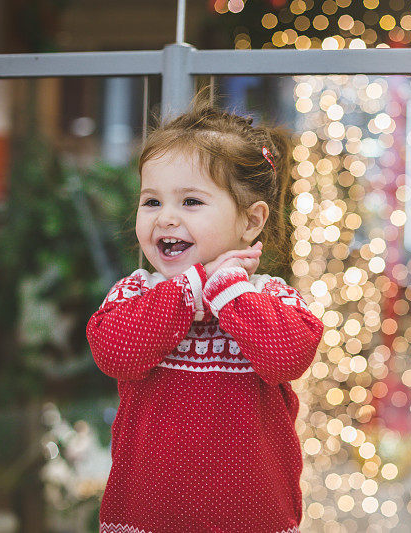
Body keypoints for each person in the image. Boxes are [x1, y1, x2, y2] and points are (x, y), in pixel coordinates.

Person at [86, 91, 324, 533]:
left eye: (190, 202)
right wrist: (192, 289)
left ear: (250, 221)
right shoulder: (136, 293)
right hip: (145, 519)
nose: (166, 218)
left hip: (253, 521)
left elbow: (287, 357)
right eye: (152, 201)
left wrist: (227, 287)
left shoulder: (271, 299)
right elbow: (114, 352)